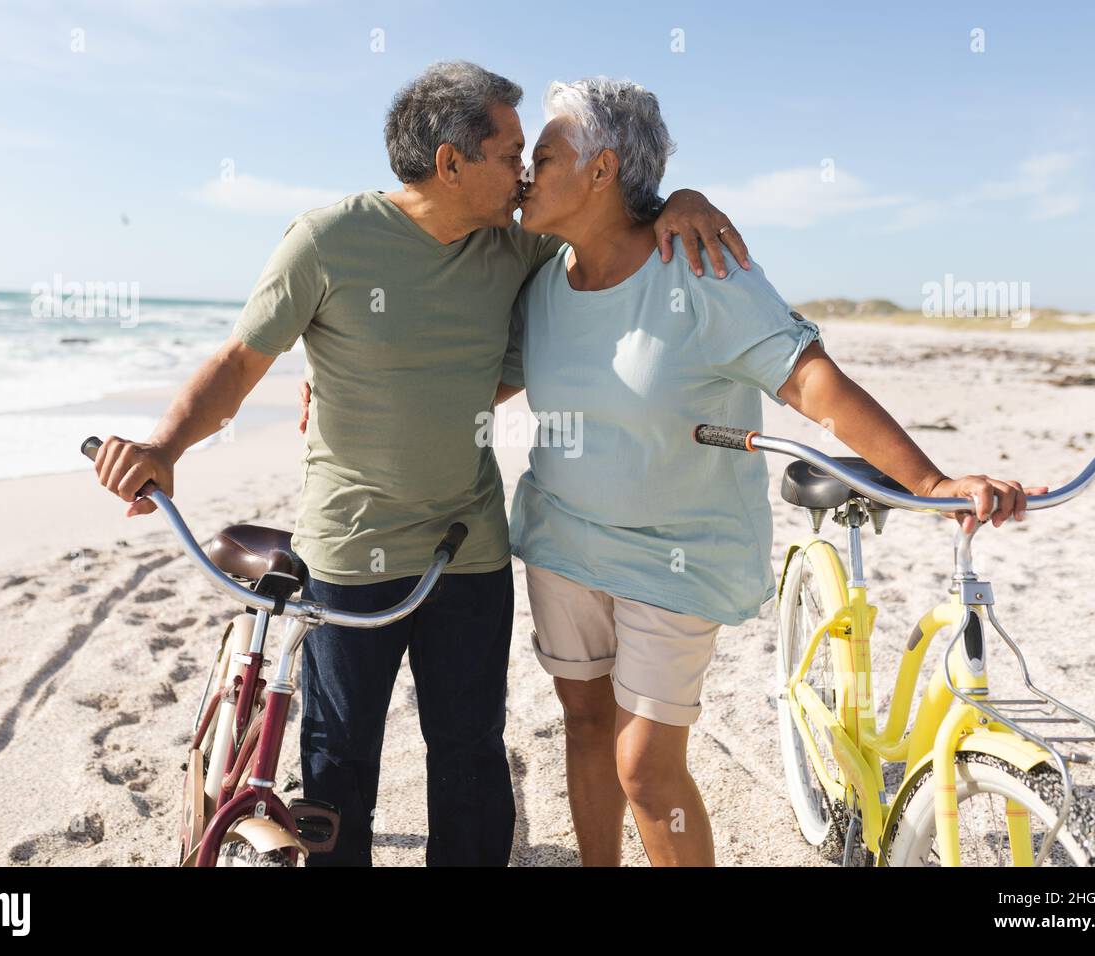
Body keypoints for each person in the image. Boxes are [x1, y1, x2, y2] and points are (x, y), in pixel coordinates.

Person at [92, 60, 750, 866]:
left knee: (470, 755)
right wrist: (163, 447)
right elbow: (238, 363)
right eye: (511, 154)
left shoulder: (517, 245)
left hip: (465, 552)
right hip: (348, 546)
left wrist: (684, 201)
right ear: (451, 163)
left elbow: (611, 225)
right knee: (338, 769)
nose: (523, 173)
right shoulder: (326, 241)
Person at [495, 76, 1049, 866]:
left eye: (542, 157)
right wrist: (353, 385)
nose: (524, 176)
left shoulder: (700, 267)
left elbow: (808, 379)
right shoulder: (545, 280)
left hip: (674, 555)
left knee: (646, 770)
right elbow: (483, 375)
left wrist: (929, 482)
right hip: (561, 540)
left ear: (601, 170)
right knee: (583, 726)